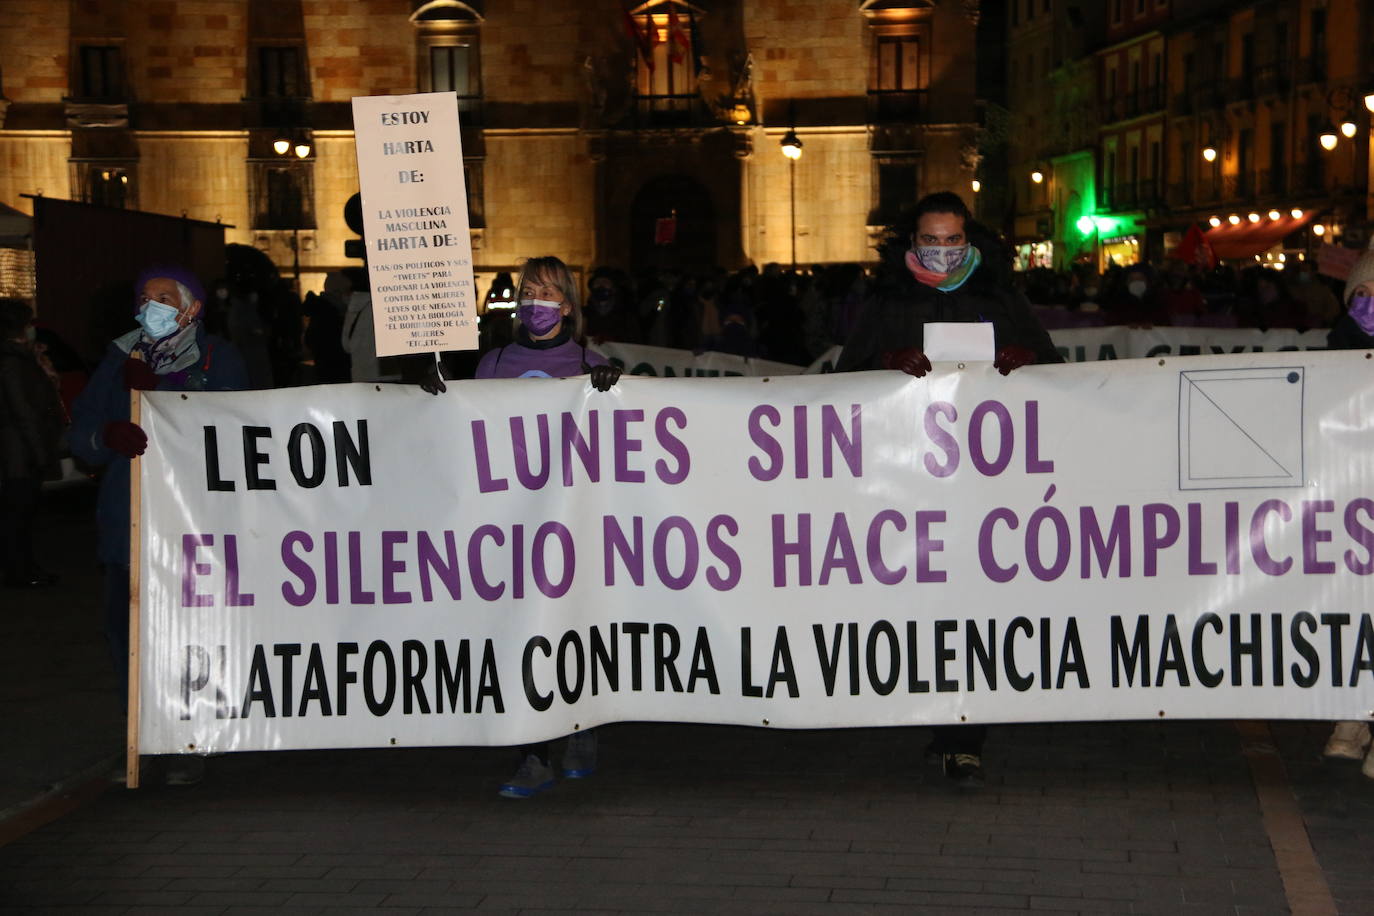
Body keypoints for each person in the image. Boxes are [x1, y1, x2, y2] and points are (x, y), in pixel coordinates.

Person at [836, 191, 1062, 789]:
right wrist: (887, 359)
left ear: (972, 242)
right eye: (930, 241)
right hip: (907, 483)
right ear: (910, 243)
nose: (942, 252)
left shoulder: (998, 296)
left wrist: (1025, 358)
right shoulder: (887, 299)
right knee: (925, 607)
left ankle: (963, 736)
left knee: (972, 606)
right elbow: (841, 382)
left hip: (986, 485)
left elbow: (1055, 366)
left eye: (952, 241)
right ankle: (933, 713)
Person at [418, 256, 620, 797]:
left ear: (569, 304)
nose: (537, 300)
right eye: (530, 289)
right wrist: (436, 398)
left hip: (571, 526)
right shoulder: (493, 363)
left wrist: (611, 387)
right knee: (517, 632)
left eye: (549, 291)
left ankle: (583, 726)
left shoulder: (588, 361)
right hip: (510, 526)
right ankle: (530, 754)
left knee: (573, 628)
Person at [70, 266, 248, 784]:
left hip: (193, 526)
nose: (153, 307)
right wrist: (109, 434)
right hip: (128, 523)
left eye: (165, 297)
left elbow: (231, 433)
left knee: (190, 635)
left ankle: (192, 739)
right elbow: (81, 437)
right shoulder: (118, 359)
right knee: (129, 634)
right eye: (145, 298)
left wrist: (165, 400)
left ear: (191, 308)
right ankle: (143, 741)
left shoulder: (219, 359)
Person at [1322, 249, 1374, 780]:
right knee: (1358, 609)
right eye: (1362, 295)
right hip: (1355, 497)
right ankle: (1351, 721)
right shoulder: (1339, 346)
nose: (1370, 304)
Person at [0, 299, 66, 588]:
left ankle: (23, 568)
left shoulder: (22, 357)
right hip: (18, 452)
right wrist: (40, 454)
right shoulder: (10, 362)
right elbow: (22, 410)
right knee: (18, 515)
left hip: (22, 449)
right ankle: (21, 571)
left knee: (21, 514)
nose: (32, 329)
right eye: (28, 324)